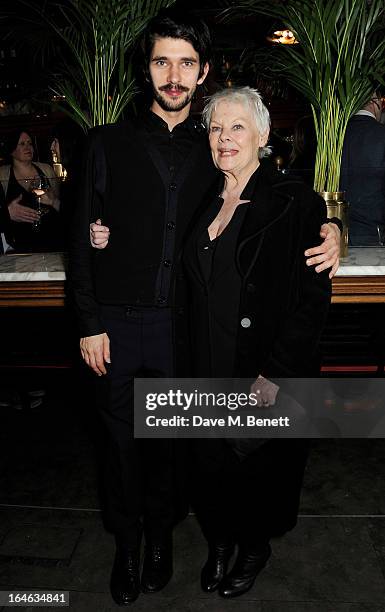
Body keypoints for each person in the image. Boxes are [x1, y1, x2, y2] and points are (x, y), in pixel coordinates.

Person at [73, 9, 340, 606]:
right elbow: (83, 236)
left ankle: (176, 542)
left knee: (185, 449)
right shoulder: (107, 143)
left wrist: (332, 226)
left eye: (186, 63)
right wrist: (90, 317)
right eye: (162, 62)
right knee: (128, 448)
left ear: (203, 72)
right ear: (146, 70)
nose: (174, 75)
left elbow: (292, 196)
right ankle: (131, 547)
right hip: (125, 330)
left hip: (186, 336)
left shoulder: (215, 150)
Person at [180, 86, 332, 598]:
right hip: (205, 364)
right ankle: (219, 542)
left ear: (263, 135)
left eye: (237, 126)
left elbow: (311, 303)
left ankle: (253, 547)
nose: (225, 137)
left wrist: (276, 376)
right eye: (217, 128)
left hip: (262, 369)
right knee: (210, 466)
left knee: (254, 471)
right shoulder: (201, 199)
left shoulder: (296, 202)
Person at [0, 130, 61, 252]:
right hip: (19, 247)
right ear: (12, 150)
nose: (28, 147)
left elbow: (62, 206)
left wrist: (53, 201)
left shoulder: (46, 169)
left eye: (30, 143)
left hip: (53, 242)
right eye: (22, 144)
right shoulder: (2, 175)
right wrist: (7, 214)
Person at [341, 91, 385, 245]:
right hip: (374, 235)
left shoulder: (333, 136)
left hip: (334, 236)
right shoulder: (381, 135)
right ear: (376, 102)